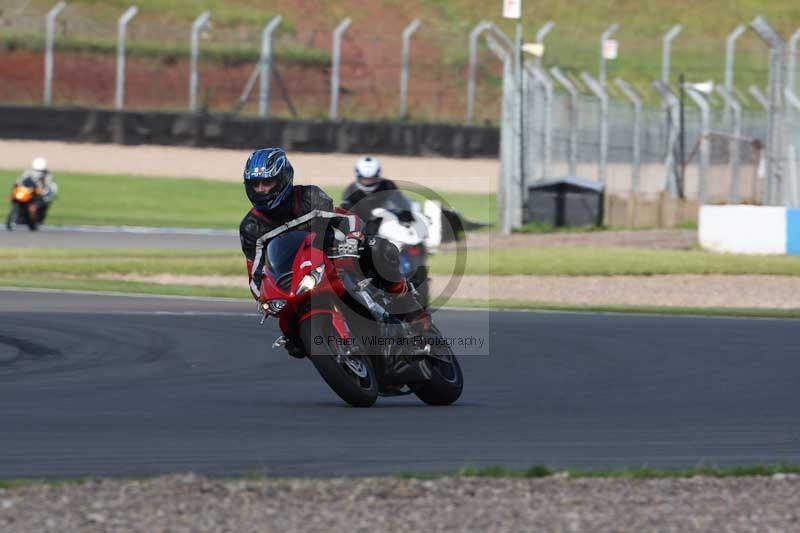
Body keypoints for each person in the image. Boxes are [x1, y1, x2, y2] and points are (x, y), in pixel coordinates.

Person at [238, 148, 426, 358]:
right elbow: (255, 275)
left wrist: (353, 239)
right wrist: (264, 300)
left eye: (267, 183)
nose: (261, 190)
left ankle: (408, 304)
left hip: (337, 255)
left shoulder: (309, 196)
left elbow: (347, 219)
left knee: (379, 248)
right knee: (294, 342)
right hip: (297, 277)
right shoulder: (250, 227)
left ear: (283, 179)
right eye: (256, 184)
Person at [340, 156, 398, 222]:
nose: (368, 182)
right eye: (364, 179)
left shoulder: (388, 186)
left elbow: (399, 205)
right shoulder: (350, 191)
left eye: (371, 179)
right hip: (361, 227)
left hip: (387, 224)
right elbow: (346, 215)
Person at [15, 157, 58, 225]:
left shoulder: (48, 175)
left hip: (40, 196)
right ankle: (18, 217)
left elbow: (51, 187)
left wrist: (45, 192)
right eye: (36, 170)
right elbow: (20, 181)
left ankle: (37, 220)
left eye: (40, 171)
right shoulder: (28, 172)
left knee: (43, 206)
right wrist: (18, 187)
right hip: (28, 194)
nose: (37, 173)